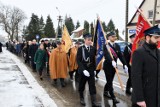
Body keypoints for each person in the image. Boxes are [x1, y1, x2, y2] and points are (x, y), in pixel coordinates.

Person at [131, 25, 160, 107]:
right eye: (156, 37)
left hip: (156, 96)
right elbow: (136, 77)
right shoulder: (139, 52)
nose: (158, 40)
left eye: (159, 37)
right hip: (144, 98)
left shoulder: (158, 52)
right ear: (147, 37)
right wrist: (140, 99)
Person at [103, 32, 128, 104]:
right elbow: (106, 54)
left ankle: (105, 91)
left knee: (109, 80)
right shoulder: (106, 45)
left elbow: (120, 55)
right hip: (108, 66)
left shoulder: (117, 45)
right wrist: (111, 61)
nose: (114, 38)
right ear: (109, 37)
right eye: (112, 36)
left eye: (115, 36)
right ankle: (113, 97)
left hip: (114, 67)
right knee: (110, 81)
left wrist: (124, 64)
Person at [77, 34, 101, 107]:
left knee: (92, 85)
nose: (90, 41)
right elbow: (78, 60)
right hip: (83, 69)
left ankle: (94, 102)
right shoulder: (81, 49)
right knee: (81, 84)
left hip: (90, 69)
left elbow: (94, 60)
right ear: (85, 40)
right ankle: (81, 98)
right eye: (88, 40)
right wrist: (83, 70)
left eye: (91, 40)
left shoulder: (93, 48)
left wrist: (94, 69)